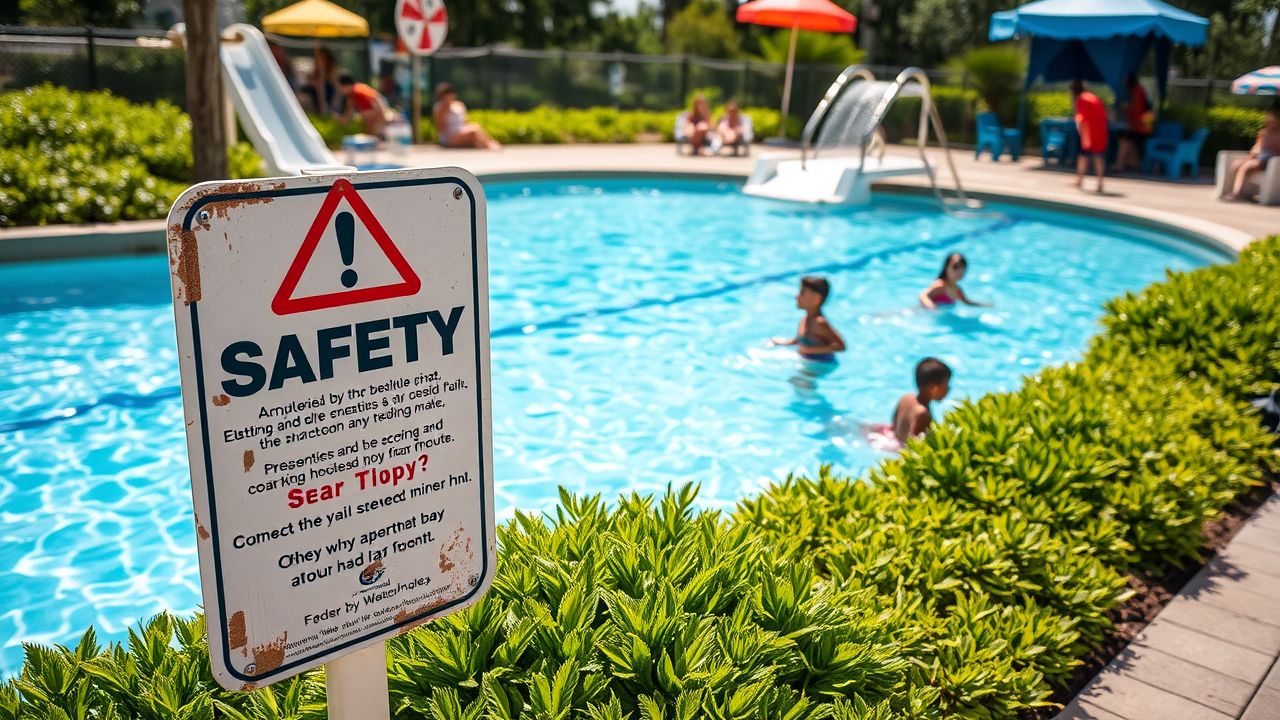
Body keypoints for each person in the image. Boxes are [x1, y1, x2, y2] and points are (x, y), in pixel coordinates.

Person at [771, 276, 846, 363]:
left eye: (802, 293)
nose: (796, 296)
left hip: (823, 364)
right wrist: (781, 342)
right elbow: (798, 341)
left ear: (816, 299)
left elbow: (840, 346)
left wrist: (809, 350)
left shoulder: (819, 322)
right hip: (809, 361)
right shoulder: (803, 320)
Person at [1222, 109, 1280, 202]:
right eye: (1268, 120)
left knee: (1245, 167)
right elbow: (1256, 148)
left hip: (1271, 160)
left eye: (1272, 121)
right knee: (1237, 164)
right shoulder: (1263, 133)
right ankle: (1245, 192)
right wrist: (1249, 157)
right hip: (1259, 157)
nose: (1269, 123)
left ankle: (1235, 193)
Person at [891, 357, 951, 444]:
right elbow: (917, 446)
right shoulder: (922, 414)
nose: (948, 389)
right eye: (946, 385)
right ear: (933, 389)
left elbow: (894, 425)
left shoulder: (906, 398)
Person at [433, 83, 500, 150]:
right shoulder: (440, 108)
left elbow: (465, 122)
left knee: (475, 129)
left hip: (462, 133)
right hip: (449, 137)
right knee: (475, 129)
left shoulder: (459, 105)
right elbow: (442, 129)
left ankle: (488, 143)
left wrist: (464, 132)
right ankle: (489, 145)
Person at [1071, 80, 1108, 193]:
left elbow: (1080, 118)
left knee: (1083, 156)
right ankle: (1100, 183)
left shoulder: (1081, 100)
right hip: (1101, 131)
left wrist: (1081, 134)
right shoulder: (1092, 97)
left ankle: (1080, 180)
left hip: (1089, 132)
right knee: (1098, 156)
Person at [919, 253, 988, 309]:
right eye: (955, 267)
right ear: (946, 268)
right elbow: (923, 295)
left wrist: (984, 305)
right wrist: (931, 306)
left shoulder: (958, 290)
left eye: (962, 268)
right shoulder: (941, 285)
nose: (958, 272)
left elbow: (967, 303)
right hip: (922, 314)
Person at [1112, 74, 1151, 173]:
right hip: (1137, 124)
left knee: (1124, 141)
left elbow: (1135, 108)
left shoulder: (1137, 91)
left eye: (1126, 80)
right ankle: (1133, 161)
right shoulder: (1137, 90)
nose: (1124, 83)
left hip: (1139, 125)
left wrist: (1123, 107)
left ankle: (1119, 164)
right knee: (1128, 141)